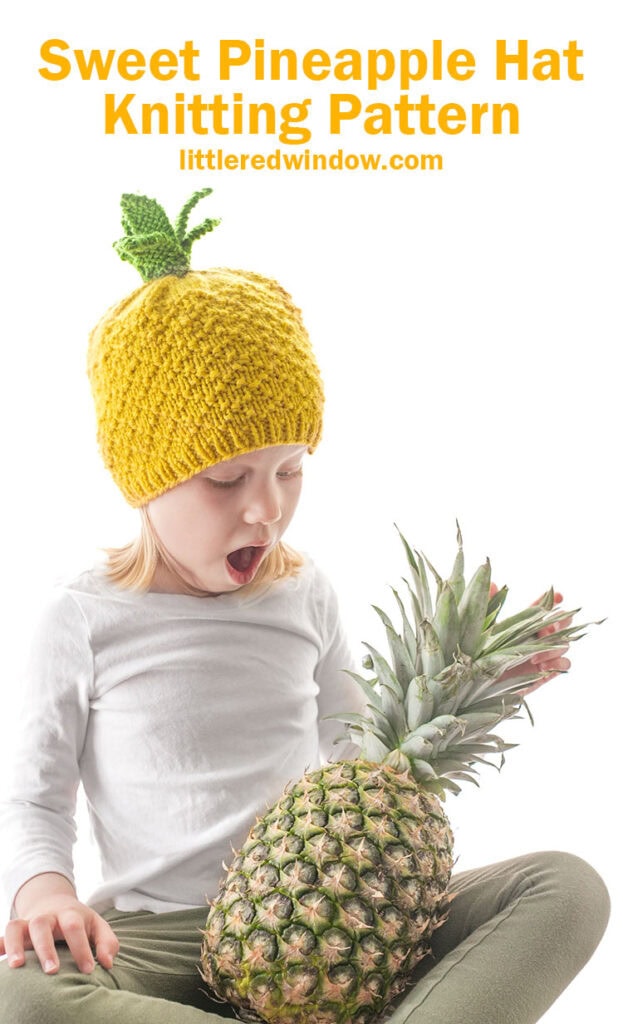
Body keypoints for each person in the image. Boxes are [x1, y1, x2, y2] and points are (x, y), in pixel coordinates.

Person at [0, 191, 610, 1024]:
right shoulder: (84, 615)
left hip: (332, 918)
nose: (266, 509)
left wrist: (476, 689)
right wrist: (45, 891)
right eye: (226, 480)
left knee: (563, 885)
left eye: (289, 470)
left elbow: (357, 751)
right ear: (145, 480)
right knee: (22, 991)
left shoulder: (302, 590)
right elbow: (36, 792)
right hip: (161, 934)